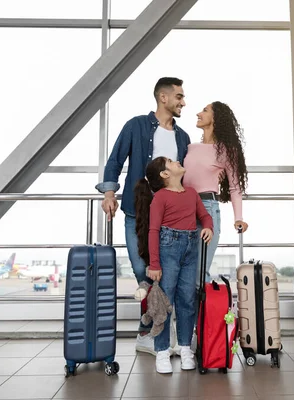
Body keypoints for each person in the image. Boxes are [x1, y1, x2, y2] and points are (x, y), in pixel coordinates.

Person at [95, 77, 191, 355]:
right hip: (136, 211)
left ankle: (155, 332)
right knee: (142, 271)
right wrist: (110, 193)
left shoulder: (182, 137)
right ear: (163, 97)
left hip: (171, 218)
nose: (183, 102)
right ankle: (147, 329)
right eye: (179, 97)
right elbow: (115, 159)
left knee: (165, 274)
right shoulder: (136, 126)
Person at [134, 156, 213, 374]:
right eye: (170, 161)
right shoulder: (160, 197)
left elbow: (204, 216)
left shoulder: (191, 194)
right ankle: (162, 351)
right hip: (168, 248)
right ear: (165, 174)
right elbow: (153, 231)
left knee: (187, 299)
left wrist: (208, 227)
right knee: (164, 302)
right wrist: (155, 264)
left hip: (190, 248)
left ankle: (185, 347)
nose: (176, 161)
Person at [183, 101, 249, 282]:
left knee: (198, 274)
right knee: (183, 272)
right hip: (183, 209)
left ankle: (201, 311)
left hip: (206, 208)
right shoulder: (190, 147)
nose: (198, 113)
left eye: (204, 110)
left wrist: (238, 218)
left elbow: (235, 187)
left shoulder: (227, 151)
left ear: (216, 118)